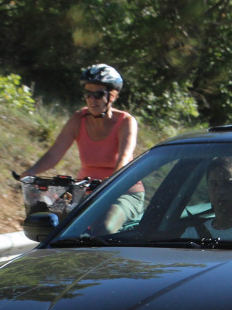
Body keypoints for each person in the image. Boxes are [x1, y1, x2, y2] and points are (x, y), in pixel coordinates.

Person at [22, 64, 142, 231]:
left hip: (122, 192)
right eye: (88, 93)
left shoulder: (126, 122)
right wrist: (31, 172)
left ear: (112, 95)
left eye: (99, 94)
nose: (92, 99)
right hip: (85, 191)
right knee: (49, 217)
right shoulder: (79, 119)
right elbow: (54, 154)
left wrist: (110, 184)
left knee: (104, 227)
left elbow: (124, 158)